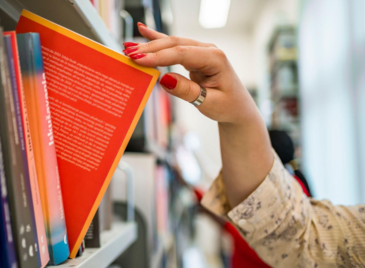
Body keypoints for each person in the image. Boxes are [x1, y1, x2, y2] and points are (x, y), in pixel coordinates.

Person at [123, 23, 365, 267]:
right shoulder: (296, 197)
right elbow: (302, 236)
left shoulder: (287, 195)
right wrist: (238, 119)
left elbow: (251, 223)